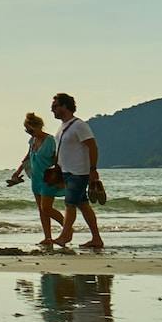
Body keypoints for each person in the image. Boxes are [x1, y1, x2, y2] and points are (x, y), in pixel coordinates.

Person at [48, 91, 105, 250]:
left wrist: (93, 169)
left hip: (78, 172)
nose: (52, 109)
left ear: (65, 106)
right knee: (83, 205)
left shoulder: (79, 125)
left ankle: (65, 236)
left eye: (55, 106)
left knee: (69, 203)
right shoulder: (62, 127)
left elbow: (92, 146)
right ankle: (96, 239)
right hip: (67, 172)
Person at [16, 112, 67, 248]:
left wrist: (60, 174)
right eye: (26, 130)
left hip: (48, 178)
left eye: (30, 129)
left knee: (47, 208)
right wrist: (17, 172)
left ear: (38, 126)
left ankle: (67, 228)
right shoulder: (32, 141)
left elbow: (57, 158)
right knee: (42, 209)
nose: (29, 132)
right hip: (35, 178)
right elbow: (27, 158)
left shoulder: (50, 140)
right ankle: (47, 237)